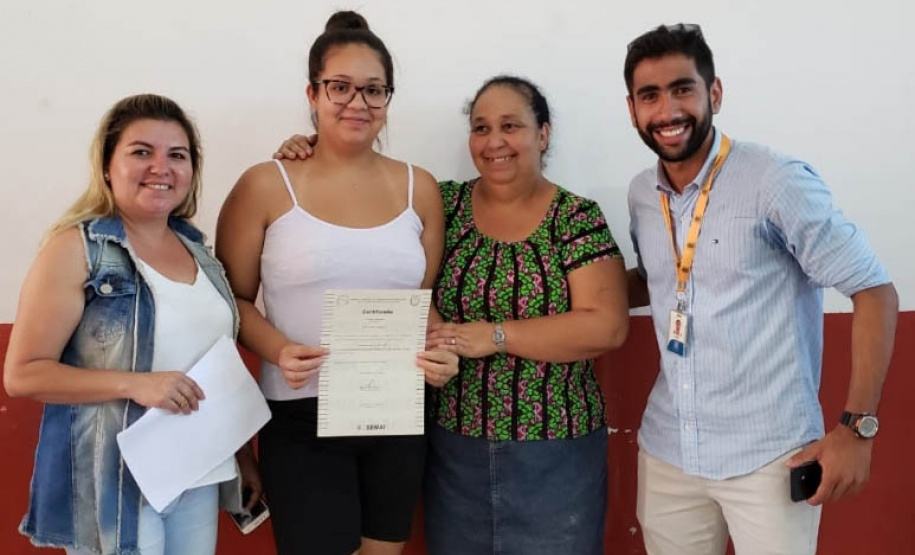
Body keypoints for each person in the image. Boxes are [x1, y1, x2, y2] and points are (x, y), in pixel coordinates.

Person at [277, 75, 630, 555]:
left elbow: (605, 325)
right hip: (454, 447)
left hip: (556, 449)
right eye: (481, 128)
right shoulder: (442, 203)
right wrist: (318, 147)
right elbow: (368, 214)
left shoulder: (575, 217)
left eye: (511, 125)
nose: (494, 141)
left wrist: (495, 336)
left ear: (543, 134)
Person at [624, 24, 898, 555]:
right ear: (632, 107)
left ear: (715, 93)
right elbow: (658, 277)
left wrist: (857, 429)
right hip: (668, 454)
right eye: (649, 95)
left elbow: (873, 290)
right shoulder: (642, 194)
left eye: (683, 89)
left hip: (769, 458)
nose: (667, 110)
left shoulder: (774, 180)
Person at [215, 11, 458, 555]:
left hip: (395, 409)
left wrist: (442, 353)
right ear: (313, 93)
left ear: (388, 99)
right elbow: (230, 300)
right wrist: (278, 349)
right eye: (340, 87)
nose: (358, 102)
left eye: (374, 90)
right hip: (301, 414)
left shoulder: (420, 188)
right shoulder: (265, 184)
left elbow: (422, 306)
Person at [3, 94, 257, 555]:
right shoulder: (76, 249)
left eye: (177, 155)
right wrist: (136, 384)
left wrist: (241, 455)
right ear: (106, 165)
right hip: (115, 480)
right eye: (142, 152)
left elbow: (211, 364)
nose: (161, 166)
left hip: (198, 471)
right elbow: (23, 374)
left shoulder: (200, 252)